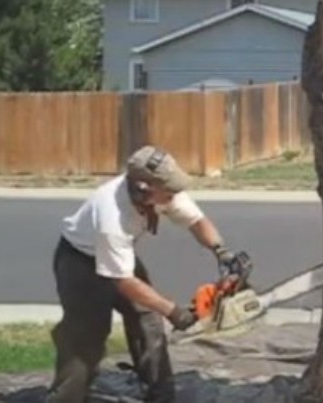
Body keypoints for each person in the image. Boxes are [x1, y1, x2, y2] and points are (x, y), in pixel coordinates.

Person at [45, 144, 250, 402]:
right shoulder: (112, 215)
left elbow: (197, 221)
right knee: (86, 340)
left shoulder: (164, 192)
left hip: (119, 260)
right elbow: (123, 282)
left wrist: (222, 252)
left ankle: (161, 396)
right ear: (143, 189)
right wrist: (173, 311)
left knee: (148, 320)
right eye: (169, 190)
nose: (175, 195)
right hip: (80, 263)